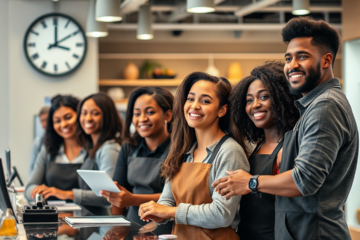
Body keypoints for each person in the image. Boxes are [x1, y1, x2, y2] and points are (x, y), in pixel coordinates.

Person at [213, 17, 358, 240]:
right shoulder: (314, 106)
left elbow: (305, 180)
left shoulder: (325, 105)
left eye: (303, 56)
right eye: (288, 58)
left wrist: (250, 181)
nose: (292, 65)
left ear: (327, 60)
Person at [138, 72, 250, 240]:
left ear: (222, 110)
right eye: (190, 99)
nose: (194, 106)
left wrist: (169, 211)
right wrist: (156, 212)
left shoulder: (230, 151)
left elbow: (222, 214)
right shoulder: (182, 151)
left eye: (205, 101)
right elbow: (167, 201)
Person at [230, 61, 300, 239]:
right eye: (249, 100)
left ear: (282, 98)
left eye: (264, 97)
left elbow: (296, 188)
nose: (255, 105)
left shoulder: (290, 146)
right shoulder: (256, 144)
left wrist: (250, 182)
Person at [100, 87, 174, 235]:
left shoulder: (178, 148)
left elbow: (176, 197)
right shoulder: (128, 147)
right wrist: (115, 229)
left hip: (167, 230)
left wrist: (132, 199)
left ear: (167, 115)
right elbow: (120, 192)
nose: (142, 119)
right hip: (131, 229)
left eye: (150, 112)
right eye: (136, 113)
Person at [32, 92, 123, 208]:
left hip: (93, 218)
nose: (88, 118)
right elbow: (31, 184)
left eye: (95, 113)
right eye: (84, 113)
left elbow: (109, 195)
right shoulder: (96, 148)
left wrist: (66, 194)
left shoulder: (108, 148)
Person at [25, 95, 85, 201]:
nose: (63, 124)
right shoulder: (48, 150)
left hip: (88, 216)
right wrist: (37, 191)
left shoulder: (93, 151)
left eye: (68, 117)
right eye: (57, 121)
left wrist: (65, 194)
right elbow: (29, 188)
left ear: (80, 115)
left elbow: (105, 195)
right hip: (55, 215)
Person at [28, 106, 50, 177]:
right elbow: (31, 169)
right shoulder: (38, 143)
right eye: (42, 121)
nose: (44, 124)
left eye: (46, 120)